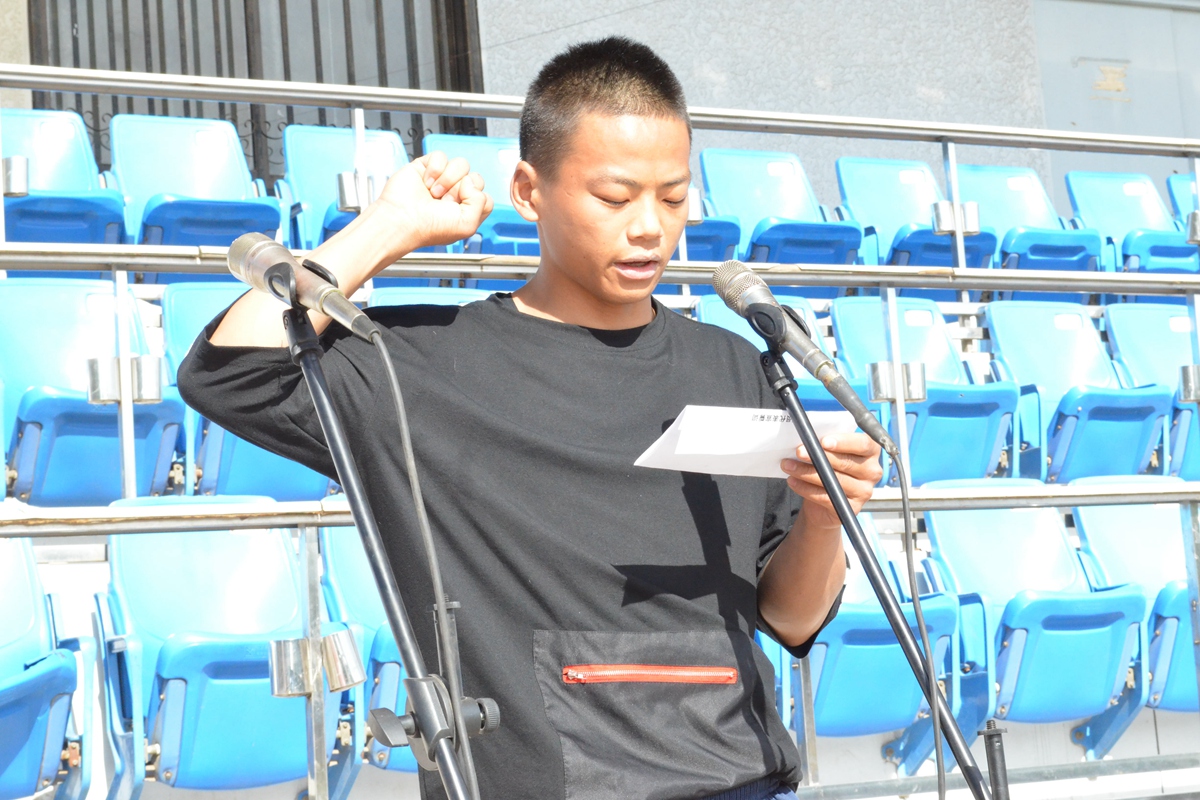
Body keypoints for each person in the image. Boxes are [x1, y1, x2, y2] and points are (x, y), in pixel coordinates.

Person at [178, 36, 881, 800]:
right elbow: (231, 373)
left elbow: (791, 620)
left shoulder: (735, 367)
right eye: (615, 197)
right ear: (528, 189)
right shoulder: (421, 366)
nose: (650, 226)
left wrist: (823, 517)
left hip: (743, 780)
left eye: (674, 197)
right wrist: (391, 226)